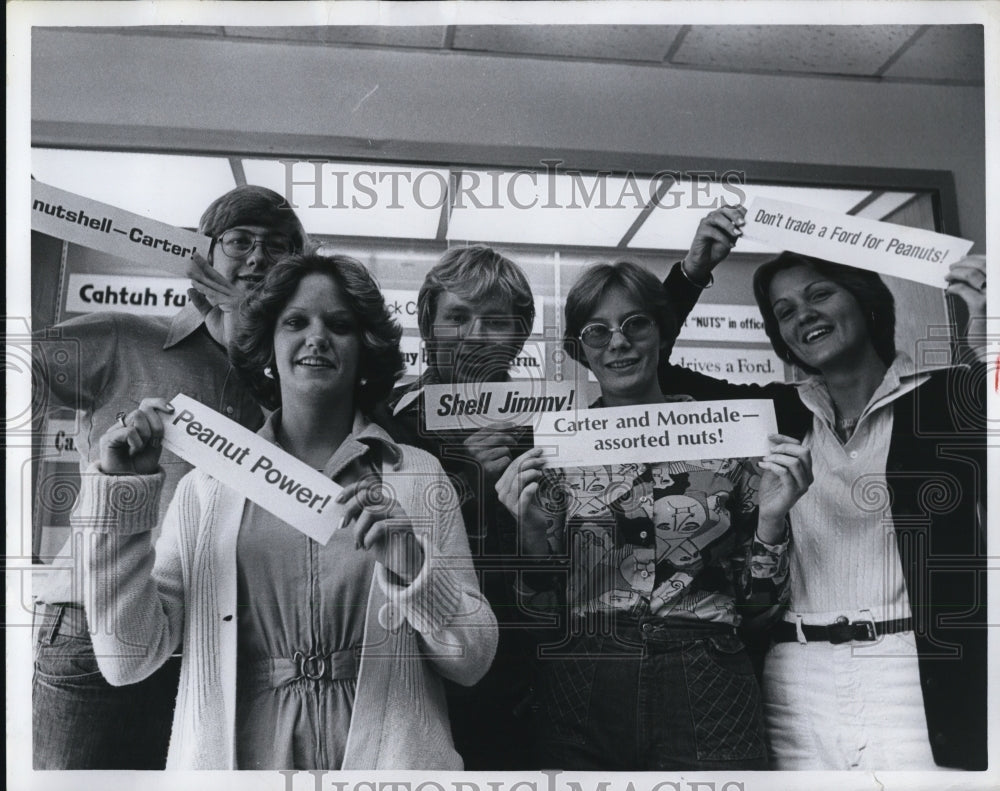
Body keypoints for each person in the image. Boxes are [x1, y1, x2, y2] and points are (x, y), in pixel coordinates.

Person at [73, 252, 497, 770]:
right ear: (268, 345)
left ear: (365, 348)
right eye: (295, 322)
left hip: (389, 770)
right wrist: (123, 494)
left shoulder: (418, 477)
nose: (316, 337)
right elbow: (125, 659)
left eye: (339, 325)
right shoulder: (204, 490)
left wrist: (416, 569)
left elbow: (472, 660)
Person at [376, 211, 743, 769]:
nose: (476, 336)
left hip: (527, 686)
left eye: (496, 322)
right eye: (458, 317)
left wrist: (689, 277)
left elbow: (631, 369)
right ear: (428, 324)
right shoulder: (386, 417)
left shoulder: (550, 425)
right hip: (413, 672)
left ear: (519, 335)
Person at [660, 251, 988, 770]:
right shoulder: (776, 413)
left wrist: (988, 339)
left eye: (819, 294)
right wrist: (693, 270)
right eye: (784, 311)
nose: (803, 315)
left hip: (912, 673)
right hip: (796, 680)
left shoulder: (946, 396)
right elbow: (650, 364)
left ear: (866, 300)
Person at [495, 260, 812, 770]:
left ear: (662, 333)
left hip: (708, 676)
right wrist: (531, 535)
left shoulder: (731, 444)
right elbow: (538, 618)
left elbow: (761, 611)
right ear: (581, 351)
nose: (617, 342)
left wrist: (773, 521)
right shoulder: (555, 455)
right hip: (583, 677)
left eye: (635, 323)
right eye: (597, 332)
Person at [31, 185, 307, 769]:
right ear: (202, 253)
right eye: (241, 242)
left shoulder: (286, 388)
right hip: (88, 617)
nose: (259, 258)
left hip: (198, 635)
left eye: (279, 248)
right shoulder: (124, 337)